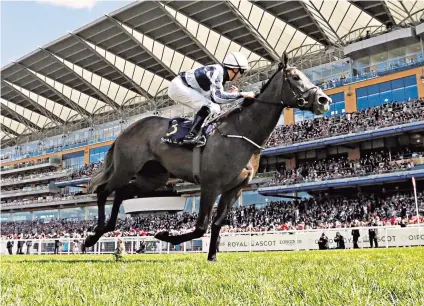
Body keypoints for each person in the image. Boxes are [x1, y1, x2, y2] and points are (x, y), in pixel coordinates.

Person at [167, 51, 256, 143]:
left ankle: (197, 132)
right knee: (211, 107)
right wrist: (241, 94)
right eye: (242, 72)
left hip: (185, 86)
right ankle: (191, 135)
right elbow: (218, 97)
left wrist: (236, 94)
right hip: (179, 86)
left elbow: (215, 98)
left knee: (215, 108)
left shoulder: (220, 73)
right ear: (235, 69)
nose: (240, 75)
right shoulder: (218, 73)